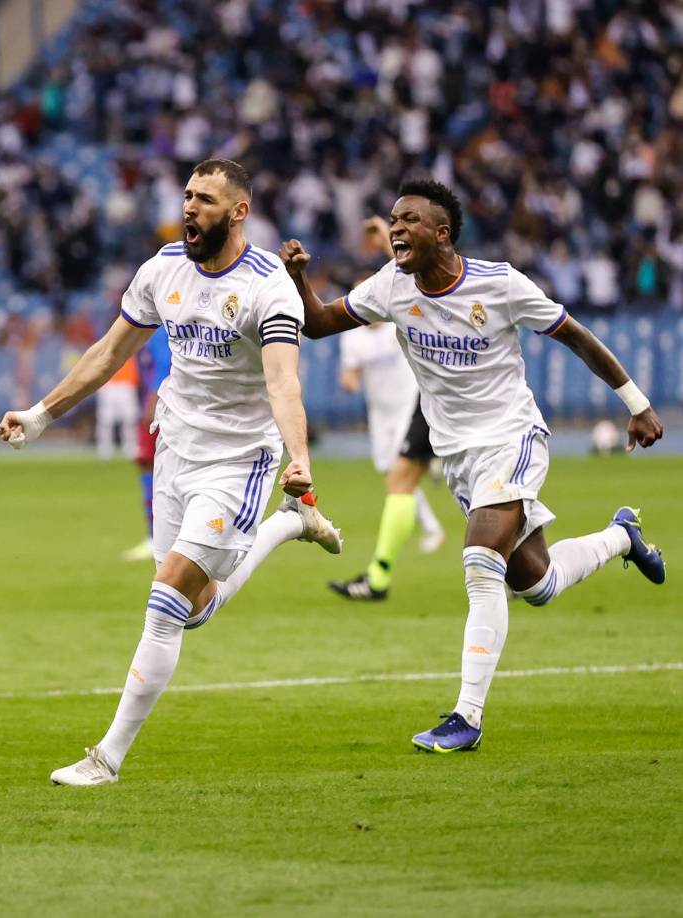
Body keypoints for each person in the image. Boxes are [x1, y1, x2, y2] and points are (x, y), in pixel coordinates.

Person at [280, 178, 665, 753]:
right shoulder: (391, 286)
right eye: (393, 219)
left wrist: (636, 403)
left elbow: (577, 337)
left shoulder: (500, 284)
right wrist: (298, 278)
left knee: (481, 563)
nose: (396, 227)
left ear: (442, 233)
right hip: (458, 455)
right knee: (537, 584)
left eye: (409, 219)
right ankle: (620, 536)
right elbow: (317, 323)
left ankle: (467, 717)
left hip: (512, 437)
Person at [0, 159, 342, 785]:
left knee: (164, 602)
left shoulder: (269, 286)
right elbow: (109, 351)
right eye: (187, 195)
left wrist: (300, 458)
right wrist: (42, 415)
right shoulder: (163, 269)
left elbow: (283, 382)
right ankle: (291, 525)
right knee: (193, 609)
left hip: (239, 461)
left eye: (205, 199)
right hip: (175, 446)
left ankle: (106, 759)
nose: (190, 207)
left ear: (238, 212)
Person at [329, 217, 444, 602]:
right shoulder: (357, 335)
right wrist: (349, 380)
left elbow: (405, 271)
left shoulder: (400, 314)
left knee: (409, 479)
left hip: (419, 404)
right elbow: (350, 373)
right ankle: (379, 577)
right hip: (392, 413)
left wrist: (385, 242)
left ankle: (516, 567)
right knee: (401, 478)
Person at [122, 325, 171, 561]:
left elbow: (164, 364)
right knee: (150, 464)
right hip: (167, 402)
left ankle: (156, 537)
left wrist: (152, 402)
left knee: (150, 464)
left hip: (163, 404)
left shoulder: (162, 328)